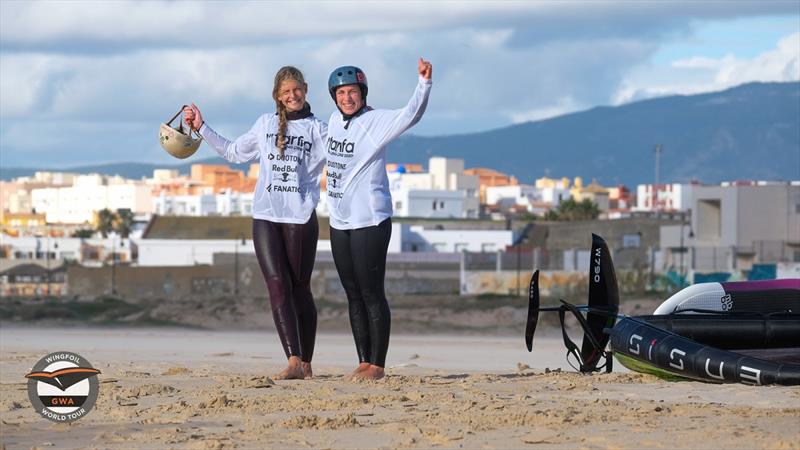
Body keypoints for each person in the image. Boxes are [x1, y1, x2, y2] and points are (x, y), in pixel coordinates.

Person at [183, 66, 327, 380]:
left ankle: (306, 361)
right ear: (278, 95)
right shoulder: (265, 124)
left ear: (305, 89)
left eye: (297, 89)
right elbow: (234, 153)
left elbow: (345, 158)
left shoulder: (320, 130)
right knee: (277, 286)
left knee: (300, 288)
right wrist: (201, 127)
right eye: (286, 92)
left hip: (299, 217)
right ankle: (293, 360)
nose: (292, 96)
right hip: (265, 216)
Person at [325, 58, 432, 380]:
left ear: (363, 93)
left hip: (370, 220)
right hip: (339, 221)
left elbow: (410, 114)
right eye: (341, 93)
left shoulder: (376, 122)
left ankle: (378, 365)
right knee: (352, 293)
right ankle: (363, 360)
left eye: (353, 92)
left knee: (371, 292)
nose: (347, 98)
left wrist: (423, 84)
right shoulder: (332, 121)